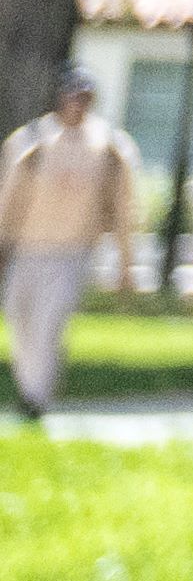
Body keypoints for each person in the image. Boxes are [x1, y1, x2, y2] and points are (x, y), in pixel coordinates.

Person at [0, 72, 128, 418]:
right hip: (27, 249)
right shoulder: (31, 141)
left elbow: (121, 208)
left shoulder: (109, 145)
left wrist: (126, 263)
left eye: (85, 96)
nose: (78, 103)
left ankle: (35, 398)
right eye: (72, 95)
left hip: (70, 251)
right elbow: (8, 200)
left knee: (49, 321)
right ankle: (29, 385)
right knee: (19, 315)